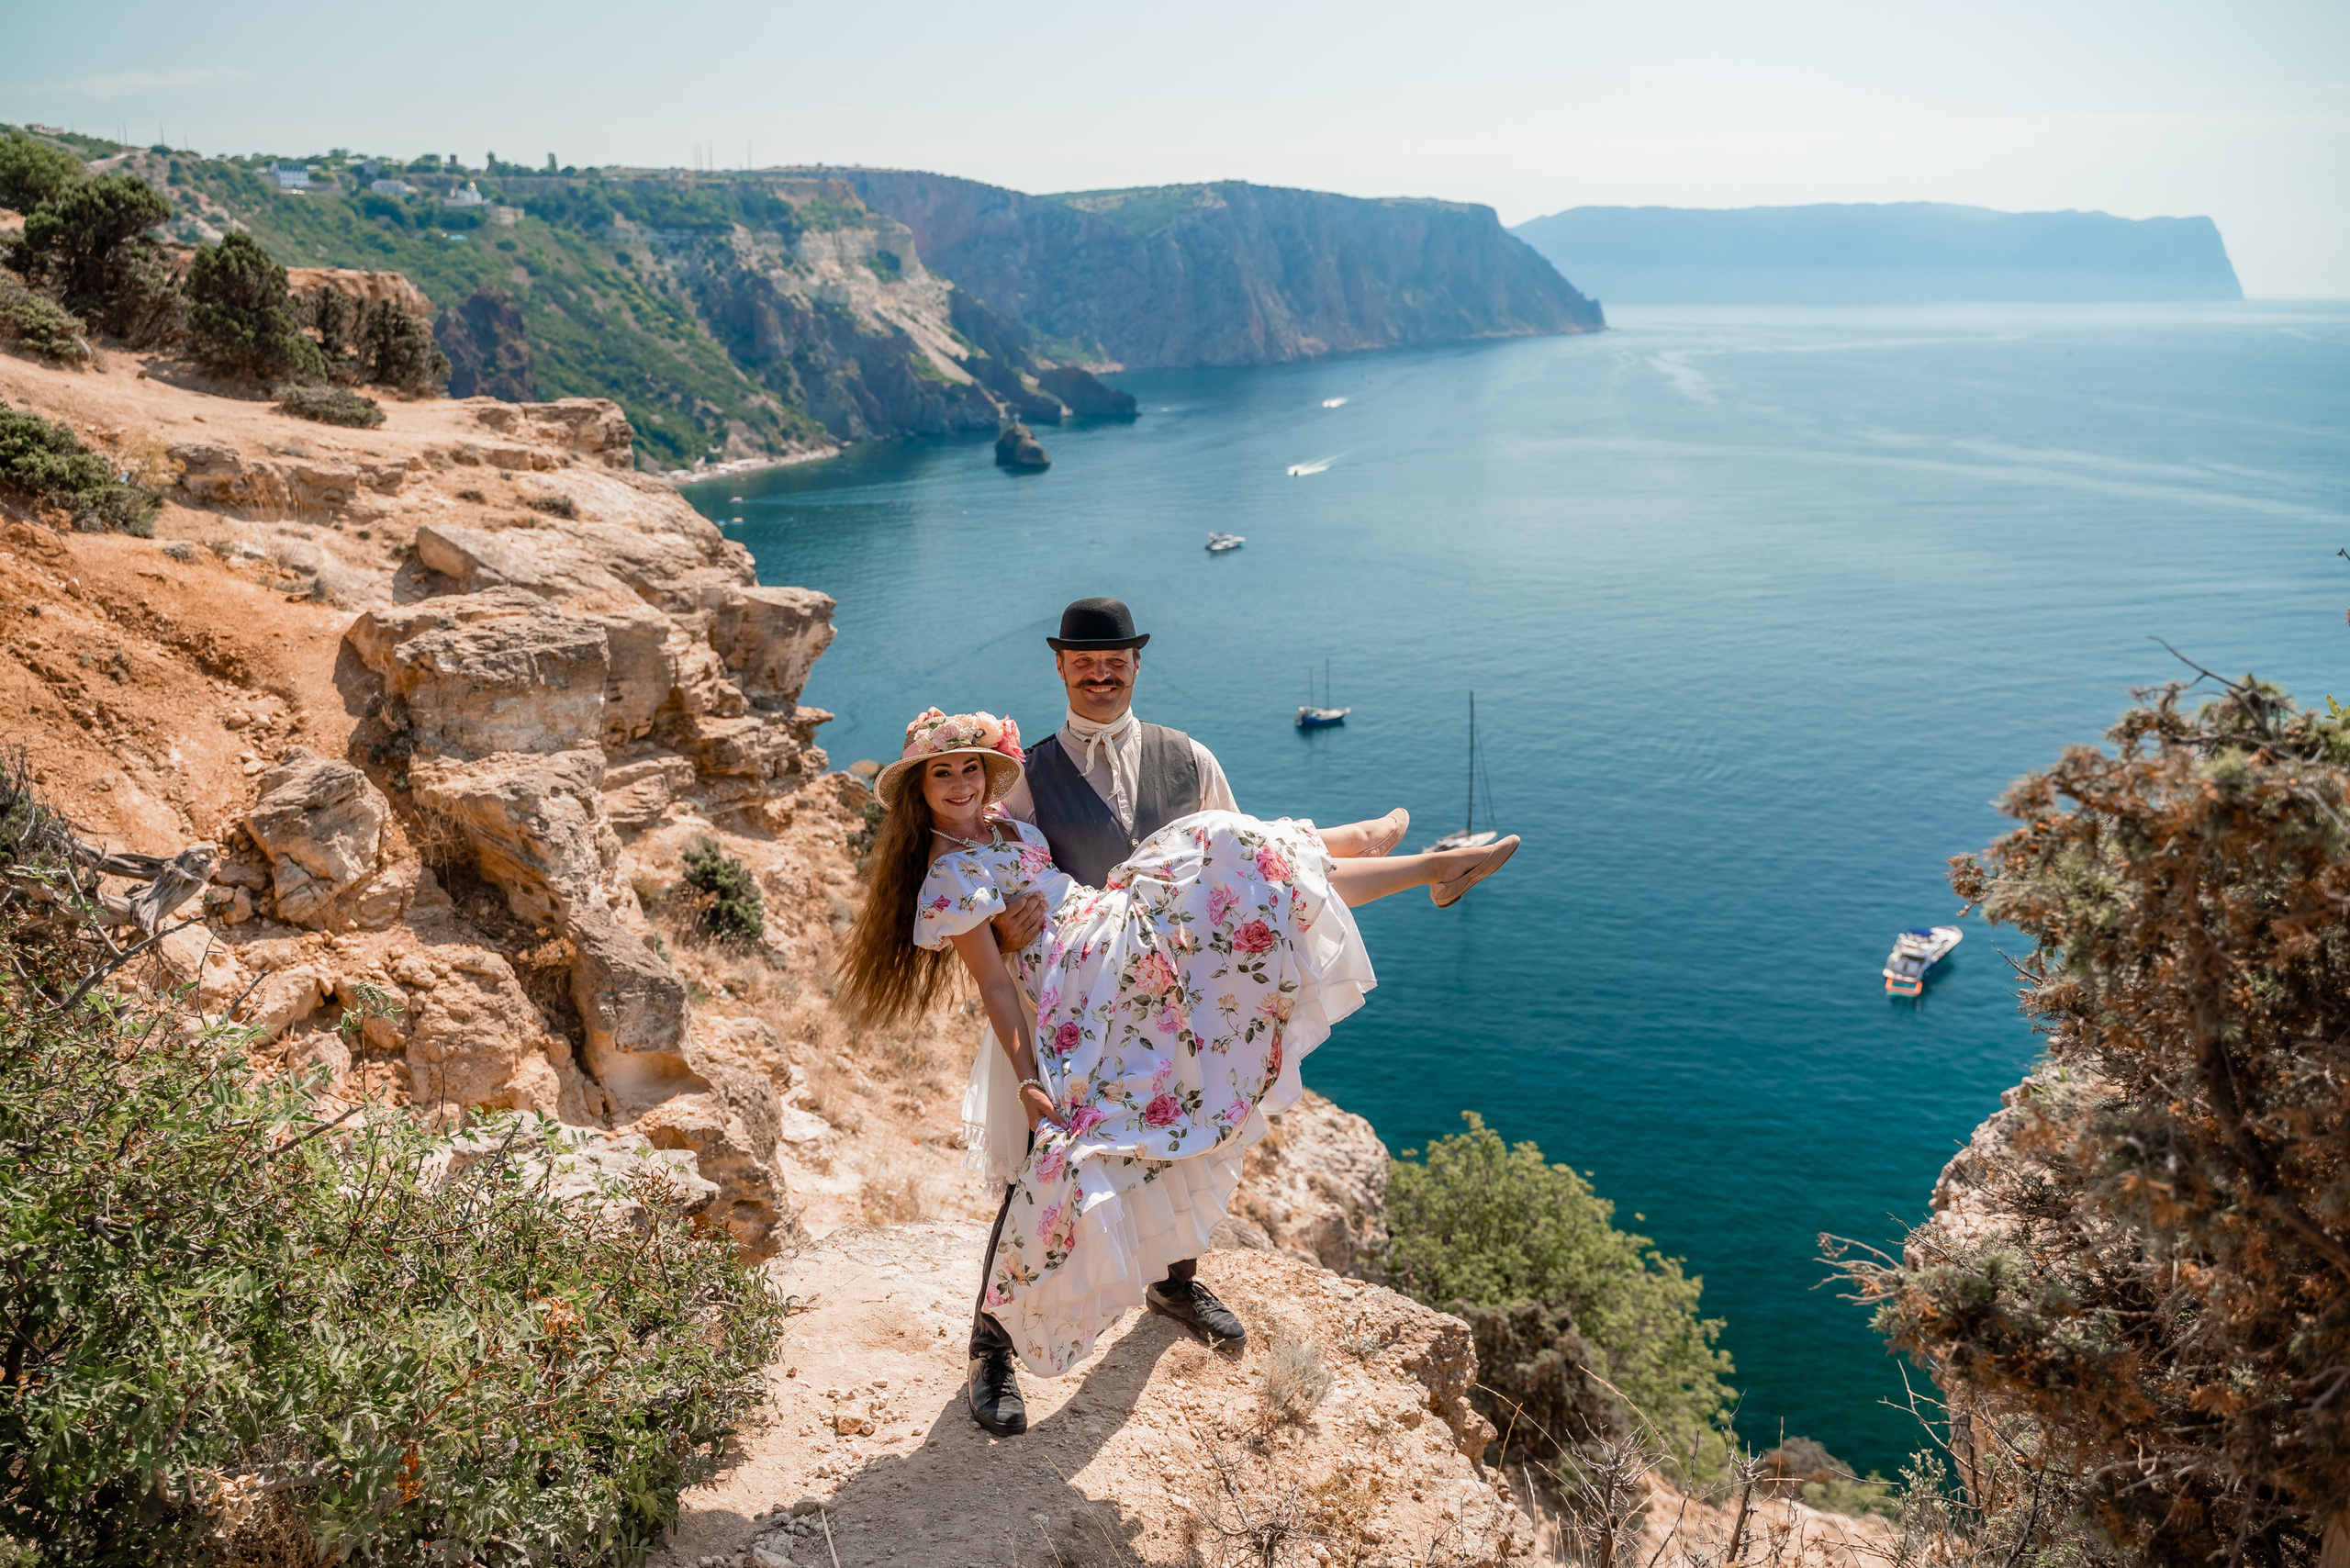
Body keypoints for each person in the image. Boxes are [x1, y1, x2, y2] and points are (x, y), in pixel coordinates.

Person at [838, 707, 1517, 1439]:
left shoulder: (1004, 825)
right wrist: (1028, 1074)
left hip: (1108, 934)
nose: (961, 783)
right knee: (1054, 1161)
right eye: (942, 773)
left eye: (970, 767)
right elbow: (996, 987)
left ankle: (1411, 863)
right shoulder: (947, 875)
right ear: (919, 790)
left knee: (1220, 855)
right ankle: (990, 1349)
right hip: (1077, 989)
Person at [983, 597, 1413, 1355]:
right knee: (1045, 1158)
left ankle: (1173, 1284)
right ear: (1060, 667)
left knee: (1190, 1136)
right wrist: (1002, 923)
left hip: (1183, 1001)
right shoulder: (1026, 779)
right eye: (1084, 663)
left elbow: (1247, 867)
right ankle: (991, 1342)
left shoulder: (1191, 758)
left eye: (1114, 662)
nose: (1100, 675)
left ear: (1136, 665)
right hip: (1080, 1012)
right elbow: (1004, 884)